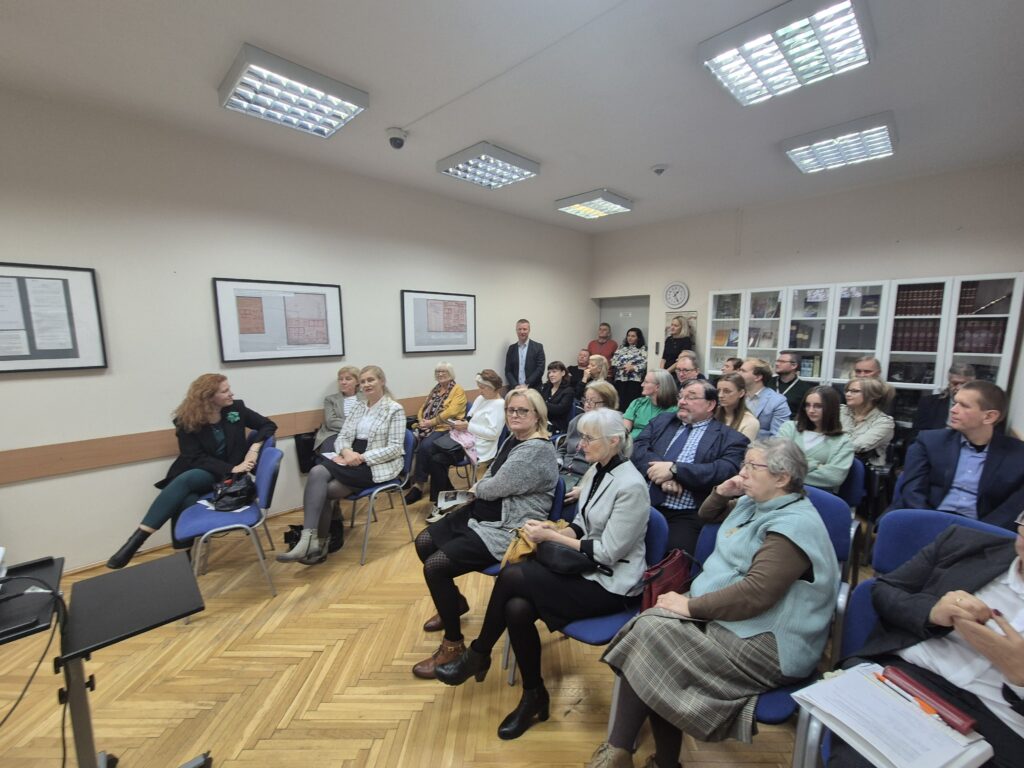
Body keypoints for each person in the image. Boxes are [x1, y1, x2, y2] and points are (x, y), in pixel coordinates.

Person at [587, 438, 839, 768]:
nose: (743, 472)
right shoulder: (757, 502)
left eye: (752, 467)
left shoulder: (793, 525)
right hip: (727, 615)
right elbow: (708, 515)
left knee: (651, 635)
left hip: (768, 642)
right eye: (744, 464)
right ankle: (649, 759)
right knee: (655, 643)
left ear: (782, 478)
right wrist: (723, 490)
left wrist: (690, 607)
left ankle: (621, 752)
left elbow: (756, 594)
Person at [434, 408, 650, 740]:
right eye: (582, 437)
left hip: (612, 584)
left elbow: (609, 552)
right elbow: (580, 525)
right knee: (515, 608)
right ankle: (533, 694)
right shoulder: (597, 470)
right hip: (586, 568)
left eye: (589, 439)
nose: (580, 446)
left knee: (513, 575)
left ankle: (479, 653)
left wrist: (551, 537)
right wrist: (552, 528)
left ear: (615, 441)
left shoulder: (632, 486)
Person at [830, 518, 1024, 768]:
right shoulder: (963, 544)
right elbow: (885, 590)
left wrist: (1020, 680)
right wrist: (932, 612)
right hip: (908, 679)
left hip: (1002, 724)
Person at [411, 388, 558, 679]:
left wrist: (480, 489)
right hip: (487, 511)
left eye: (522, 411)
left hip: (508, 527)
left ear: (538, 415)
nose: (514, 415)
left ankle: (453, 644)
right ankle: (454, 603)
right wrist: (481, 488)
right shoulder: (515, 439)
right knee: (424, 541)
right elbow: (491, 475)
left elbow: (493, 486)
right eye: (510, 410)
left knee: (435, 566)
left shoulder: (536, 449)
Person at [107, 374, 277, 569]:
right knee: (186, 488)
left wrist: (254, 449)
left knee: (183, 491)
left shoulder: (236, 408)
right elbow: (195, 458)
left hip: (226, 477)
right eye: (225, 391)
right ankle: (171, 555)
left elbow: (268, 425)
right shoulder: (186, 420)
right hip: (201, 468)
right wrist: (231, 467)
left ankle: (143, 541)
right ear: (208, 397)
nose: (231, 393)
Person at [277, 365, 405, 564]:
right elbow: (343, 436)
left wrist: (361, 458)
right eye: (363, 382)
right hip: (351, 457)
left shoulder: (394, 409)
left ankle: (318, 543)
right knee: (318, 472)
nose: (366, 384)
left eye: (370, 380)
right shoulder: (359, 407)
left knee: (324, 491)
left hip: (376, 465)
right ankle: (309, 540)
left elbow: (396, 448)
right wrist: (346, 452)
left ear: (382, 381)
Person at [632, 379, 748, 555]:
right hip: (643, 503)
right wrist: (660, 473)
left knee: (673, 561)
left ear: (710, 404)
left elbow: (724, 470)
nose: (682, 402)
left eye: (691, 397)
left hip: (686, 513)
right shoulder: (664, 421)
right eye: (681, 396)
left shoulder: (731, 438)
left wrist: (675, 471)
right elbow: (638, 447)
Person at [891, 381, 1024, 530]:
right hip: (928, 519)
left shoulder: (1018, 455)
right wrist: (929, 525)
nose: (953, 410)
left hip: (980, 531)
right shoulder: (929, 441)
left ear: (989, 417)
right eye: (955, 403)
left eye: (964, 406)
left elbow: (1012, 509)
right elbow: (913, 492)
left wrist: (978, 535)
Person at [423, 369, 507, 523]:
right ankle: (447, 498)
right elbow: (469, 417)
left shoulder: (500, 405)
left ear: (493, 388)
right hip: (464, 437)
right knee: (432, 455)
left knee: (435, 458)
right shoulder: (481, 398)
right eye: (479, 386)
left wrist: (467, 427)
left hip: (479, 445)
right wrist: (457, 424)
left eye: (482, 387)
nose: (479, 390)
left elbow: (493, 434)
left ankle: (444, 501)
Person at [404, 362, 467, 505]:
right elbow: (423, 407)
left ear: (450, 374)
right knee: (416, 442)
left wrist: (430, 423)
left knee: (426, 446)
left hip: (447, 428)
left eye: (443, 371)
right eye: (438, 371)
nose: (440, 374)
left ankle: (418, 485)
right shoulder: (436, 389)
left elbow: (451, 412)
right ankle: (414, 480)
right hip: (429, 426)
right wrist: (421, 420)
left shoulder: (458, 390)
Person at [778, 387, 854, 493]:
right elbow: (776, 461)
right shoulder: (789, 428)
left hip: (818, 495)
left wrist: (792, 466)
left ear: (831, 408)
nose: (811, 410)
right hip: (782, 491)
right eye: (807, 405)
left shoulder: (843, 441)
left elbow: (834, 477)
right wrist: (816, 465)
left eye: (818, 406)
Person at [559, 381, 619, 495]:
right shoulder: (576, 421)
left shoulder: (611, 430)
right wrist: (558, 461)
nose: (587, 404)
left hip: (586, 478)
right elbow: (564, 448)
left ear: (608, 404)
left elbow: (609, 469)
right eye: (586, 400)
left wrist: (586, 489)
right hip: (563, 472)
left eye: (593, 401)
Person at [839, 377, 894, 467]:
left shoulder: (885, 422)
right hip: (834, 461)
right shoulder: (840, 410)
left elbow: (858, 446)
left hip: (863, 467)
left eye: (855, 391)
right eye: (847, 390)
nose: (848, 394)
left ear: (873, 396)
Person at [912, 363, 976, 433]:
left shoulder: (980, 406)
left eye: (964, 384)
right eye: (955, 383)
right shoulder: (928, 403)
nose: (959, 388)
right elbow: (917, 434)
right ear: (949, 382)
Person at [739, 358, 791, 438]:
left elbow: (778, 437)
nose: (738, 373)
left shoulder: (777, 401)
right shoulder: (736, 395)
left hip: (758, 447)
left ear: (758, 377)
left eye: (743, 371)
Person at [313, 365, 361, 452]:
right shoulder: (331, 399)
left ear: (357, 381)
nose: (343, 382)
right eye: (340, 379)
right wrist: (356, 427)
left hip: (360, 434)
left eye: (348, 379)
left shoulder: (366, 397)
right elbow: (331, 422)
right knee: (331, 452)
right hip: (334, 433)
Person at [623, 370, 677, 440]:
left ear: (658, 387)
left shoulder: (674, 410)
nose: (642, 385)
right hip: (631, 445)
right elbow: (625, 430)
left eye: (646, 382)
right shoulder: (637, 403)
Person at [610, 327, 648, 412]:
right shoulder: (621, 347)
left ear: (638, 338)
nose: (630, 338)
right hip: (620, 379)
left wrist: (633, 368)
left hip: (634, 380)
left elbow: (645, 363)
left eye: (633, 336)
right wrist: (624, 366)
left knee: (632, 403)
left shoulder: (643, 348)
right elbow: (613, 361)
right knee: (620, 403)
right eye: (628, 335)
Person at [715, 372, 759, 442]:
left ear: (741, 393)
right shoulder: (713, 414)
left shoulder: (750, 422)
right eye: (718, 391)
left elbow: (741, 450)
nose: (720, 395)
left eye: (727, 391)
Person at [504, 318, 545, 390]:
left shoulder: (538, 347)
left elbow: (540, 369)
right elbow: (508, 371)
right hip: (515, 389)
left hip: (533, 388)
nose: (522, 331)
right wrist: (515, 385)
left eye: (524, 329)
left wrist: (526, 384)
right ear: (516, 330)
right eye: (519, 329)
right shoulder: (511, 349)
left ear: (529, 330)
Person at [769, 350, 812, 418]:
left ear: (794, 365)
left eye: (782, 361)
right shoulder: (768, 382)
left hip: (789, 425)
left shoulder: (805, 389)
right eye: (777, 361)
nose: (777, 364)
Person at [541, 361, 575, 435]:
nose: (551, 375)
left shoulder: (568, 390)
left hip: (557, 425)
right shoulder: (546, 387)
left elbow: (559, 409)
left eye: (554, 372)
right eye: (549, 372)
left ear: (563, 373)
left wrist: (542, 403)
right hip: (543, 421)